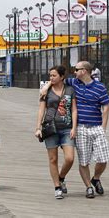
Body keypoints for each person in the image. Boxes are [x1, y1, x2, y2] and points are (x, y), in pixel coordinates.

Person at [41, 61, 109, 199]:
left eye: (77, 69)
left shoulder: (100, 87)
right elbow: (56, 78)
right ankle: (88, 187)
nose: (74, 71)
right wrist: (46, 86)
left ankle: (96, 178)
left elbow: (106, 107)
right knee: (83, 161)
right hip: (80, 127)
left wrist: (103, 128)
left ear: (84, 71)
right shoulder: (74, 82)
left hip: (96, 126)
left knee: (103, 158)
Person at [35, 65, 77, 199]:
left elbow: (74, 110)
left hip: (66, 128)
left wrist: (74, 128)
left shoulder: (70, 90)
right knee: (53, 159)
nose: (51, 78)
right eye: (50, 76)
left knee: (70, 158)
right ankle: (57, 187)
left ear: (62, 76)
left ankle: (61, 177)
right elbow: (41, 109)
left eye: (54, 75)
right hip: (50, 128)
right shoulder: (46, 91)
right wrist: (38, 128)